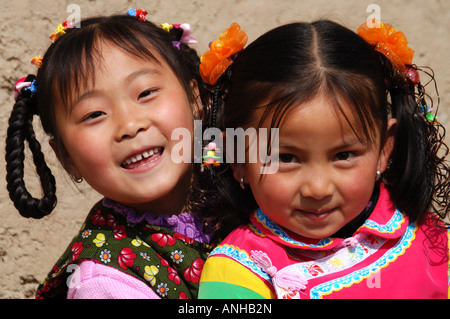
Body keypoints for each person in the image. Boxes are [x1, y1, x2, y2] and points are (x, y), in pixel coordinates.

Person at [197, 20, 450, 299]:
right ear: (238, 159)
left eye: (343, 155)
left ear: (383, 149)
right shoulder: (237, 273)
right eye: (287, 157)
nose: (318, 189)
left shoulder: (429, 237)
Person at [6, 10, 226, 299]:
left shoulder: (247, 191)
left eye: (146, 93)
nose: (130, 125)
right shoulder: (102, 284)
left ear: (195, 99)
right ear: (66, 158)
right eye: (94, 114)